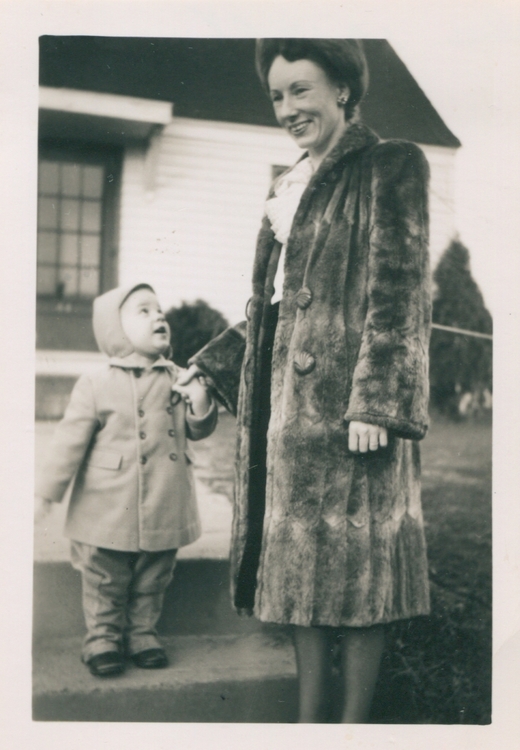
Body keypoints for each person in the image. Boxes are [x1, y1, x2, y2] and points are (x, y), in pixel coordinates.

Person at [179, 39, 431, 722]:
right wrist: (211, 370)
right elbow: (272, 313)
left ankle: (351, 730)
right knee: (300, 588)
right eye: (277, 96)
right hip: (289, 429)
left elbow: (401, 295)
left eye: (301, 90)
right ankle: (309, 724)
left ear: (345, 90)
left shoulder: (390, 165)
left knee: (360, 585)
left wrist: (375, 401)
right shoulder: (284, 189)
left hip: (357, 423)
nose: (287, 108)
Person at [35, 283, 217, 677]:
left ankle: (142, 634)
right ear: (116, 330)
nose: (159, 316)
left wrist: (200, 400)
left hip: (166, 496)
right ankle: (101, 638)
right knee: (105, 577)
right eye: (144, 311)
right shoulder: (96, 383)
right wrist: (46, 493)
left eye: (160, 310)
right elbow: (69, 441)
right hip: (109, 502)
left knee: (155, 574)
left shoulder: (180, 377)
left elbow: (198, 429)